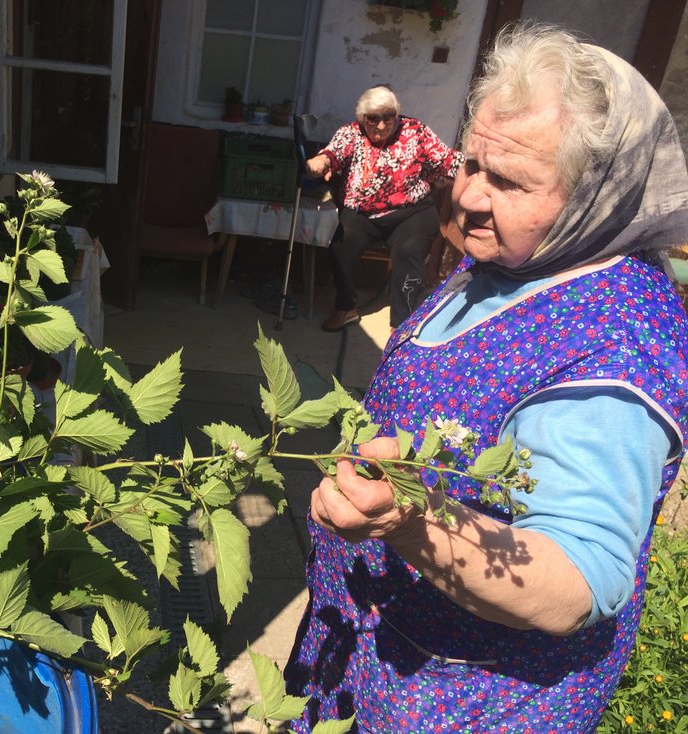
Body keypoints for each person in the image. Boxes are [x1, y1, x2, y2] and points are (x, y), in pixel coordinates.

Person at [285, 22, 688, 733]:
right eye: (471, 164)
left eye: (509, 181)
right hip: (372, 645)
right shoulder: (519, 257)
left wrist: (408, 521)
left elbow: (578, 580)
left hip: (458, 699)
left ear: (597, 196)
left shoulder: (616, 342)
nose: (468, 195)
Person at [305, 85, 463, 331]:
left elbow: (447, 161)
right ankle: (346, 307)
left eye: (388, 117)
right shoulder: (351, 133)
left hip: (412, 212)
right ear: (362, 118)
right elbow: (333, 153)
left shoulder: (415, 131)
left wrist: (479, 167)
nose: (381, 125)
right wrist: (321, 161)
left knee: (409, 251)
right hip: (362, 213)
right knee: (341, 245)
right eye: (373, 119)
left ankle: (401, 324)